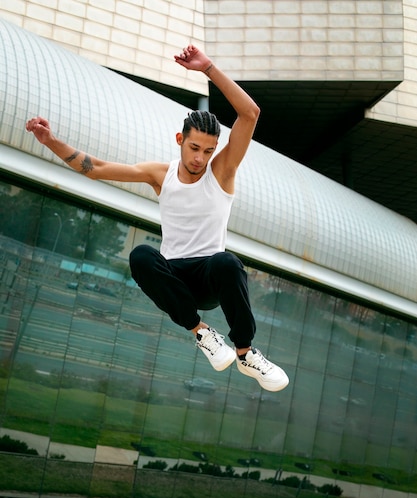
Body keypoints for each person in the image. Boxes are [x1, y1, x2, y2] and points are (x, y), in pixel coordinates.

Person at [26, 45, 289, 392]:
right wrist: (51, 141)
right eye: (194, 148)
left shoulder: (221, 172)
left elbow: (250, 114)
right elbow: (97, 169)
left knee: (228, 262)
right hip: (173, 275)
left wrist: (208, 67)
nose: (200, 158)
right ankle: (202, 334)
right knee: (142, 256)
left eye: (208, 151)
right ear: (180, 140)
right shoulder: (158, 175)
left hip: (208, 275)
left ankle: (245, 352)